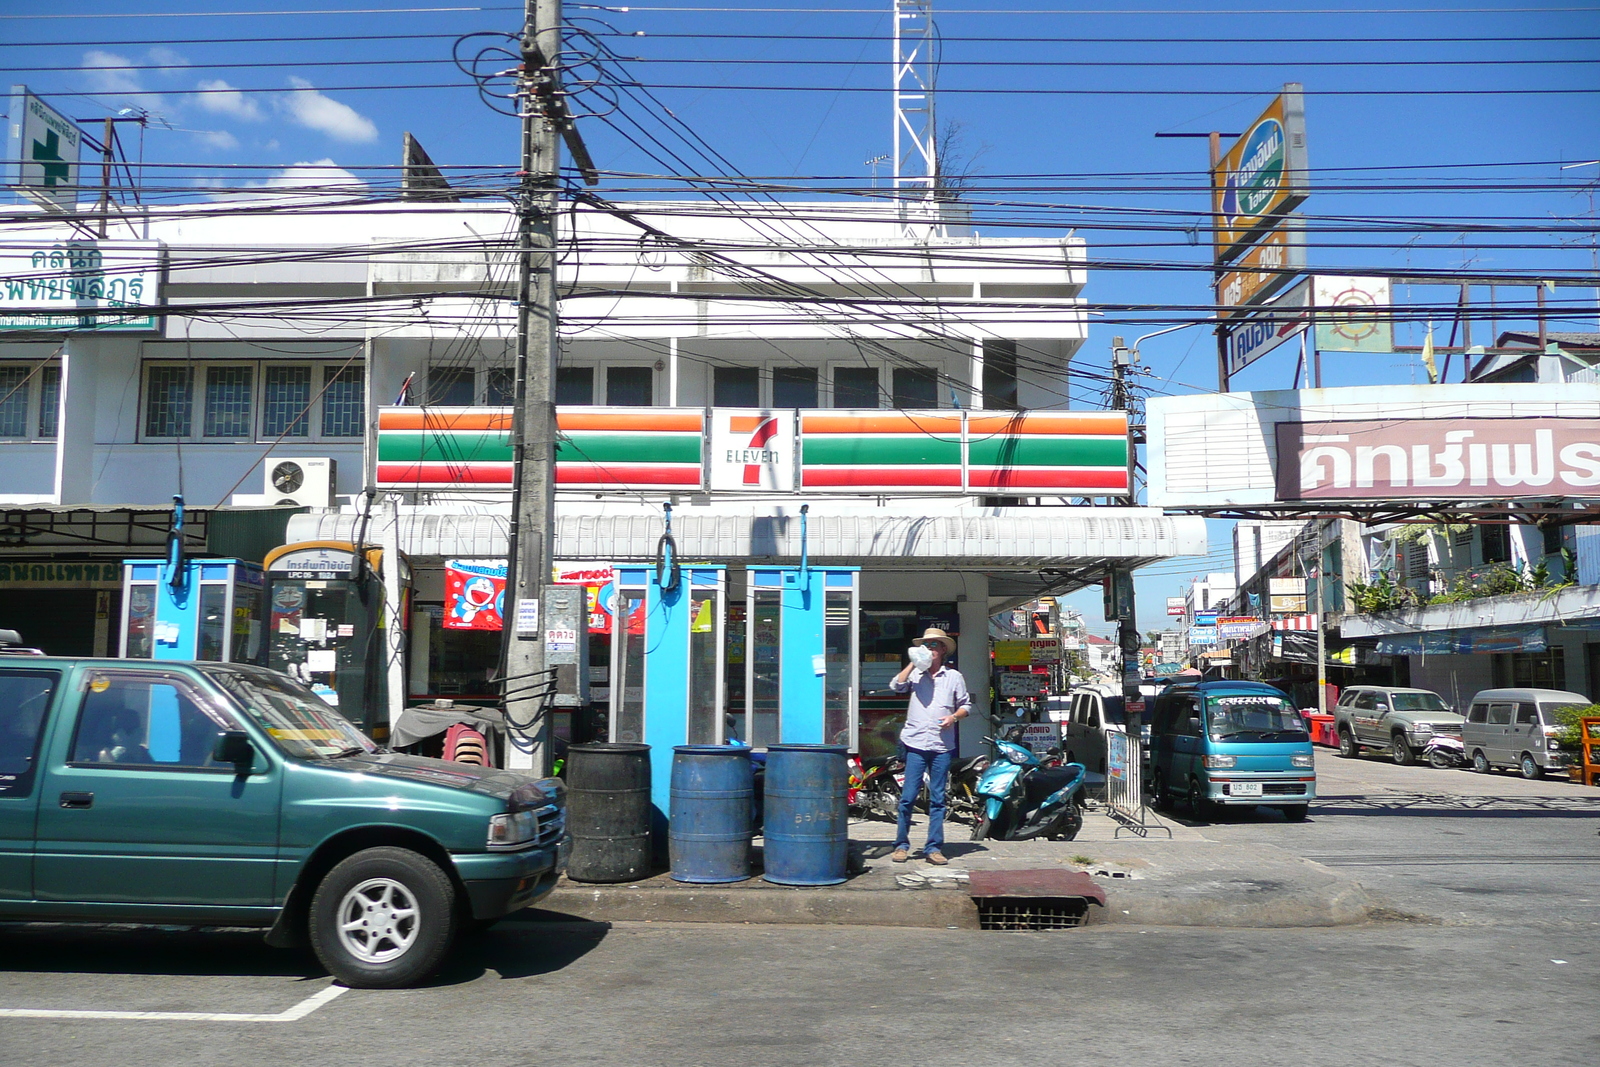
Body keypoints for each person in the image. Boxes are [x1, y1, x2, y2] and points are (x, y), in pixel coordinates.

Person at [889, 627, 970, 865]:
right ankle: (901, 845)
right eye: (926, 645)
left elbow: (966, 706)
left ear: (943, 650)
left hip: (941, 746)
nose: (930, 649)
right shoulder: (915, 675)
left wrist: (953, 718)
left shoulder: (953, 677)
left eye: (934, 645)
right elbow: (896, 685)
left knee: (938, 799)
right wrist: (915, 663)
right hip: (915, 744)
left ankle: (933, 848)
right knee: (908, 798)